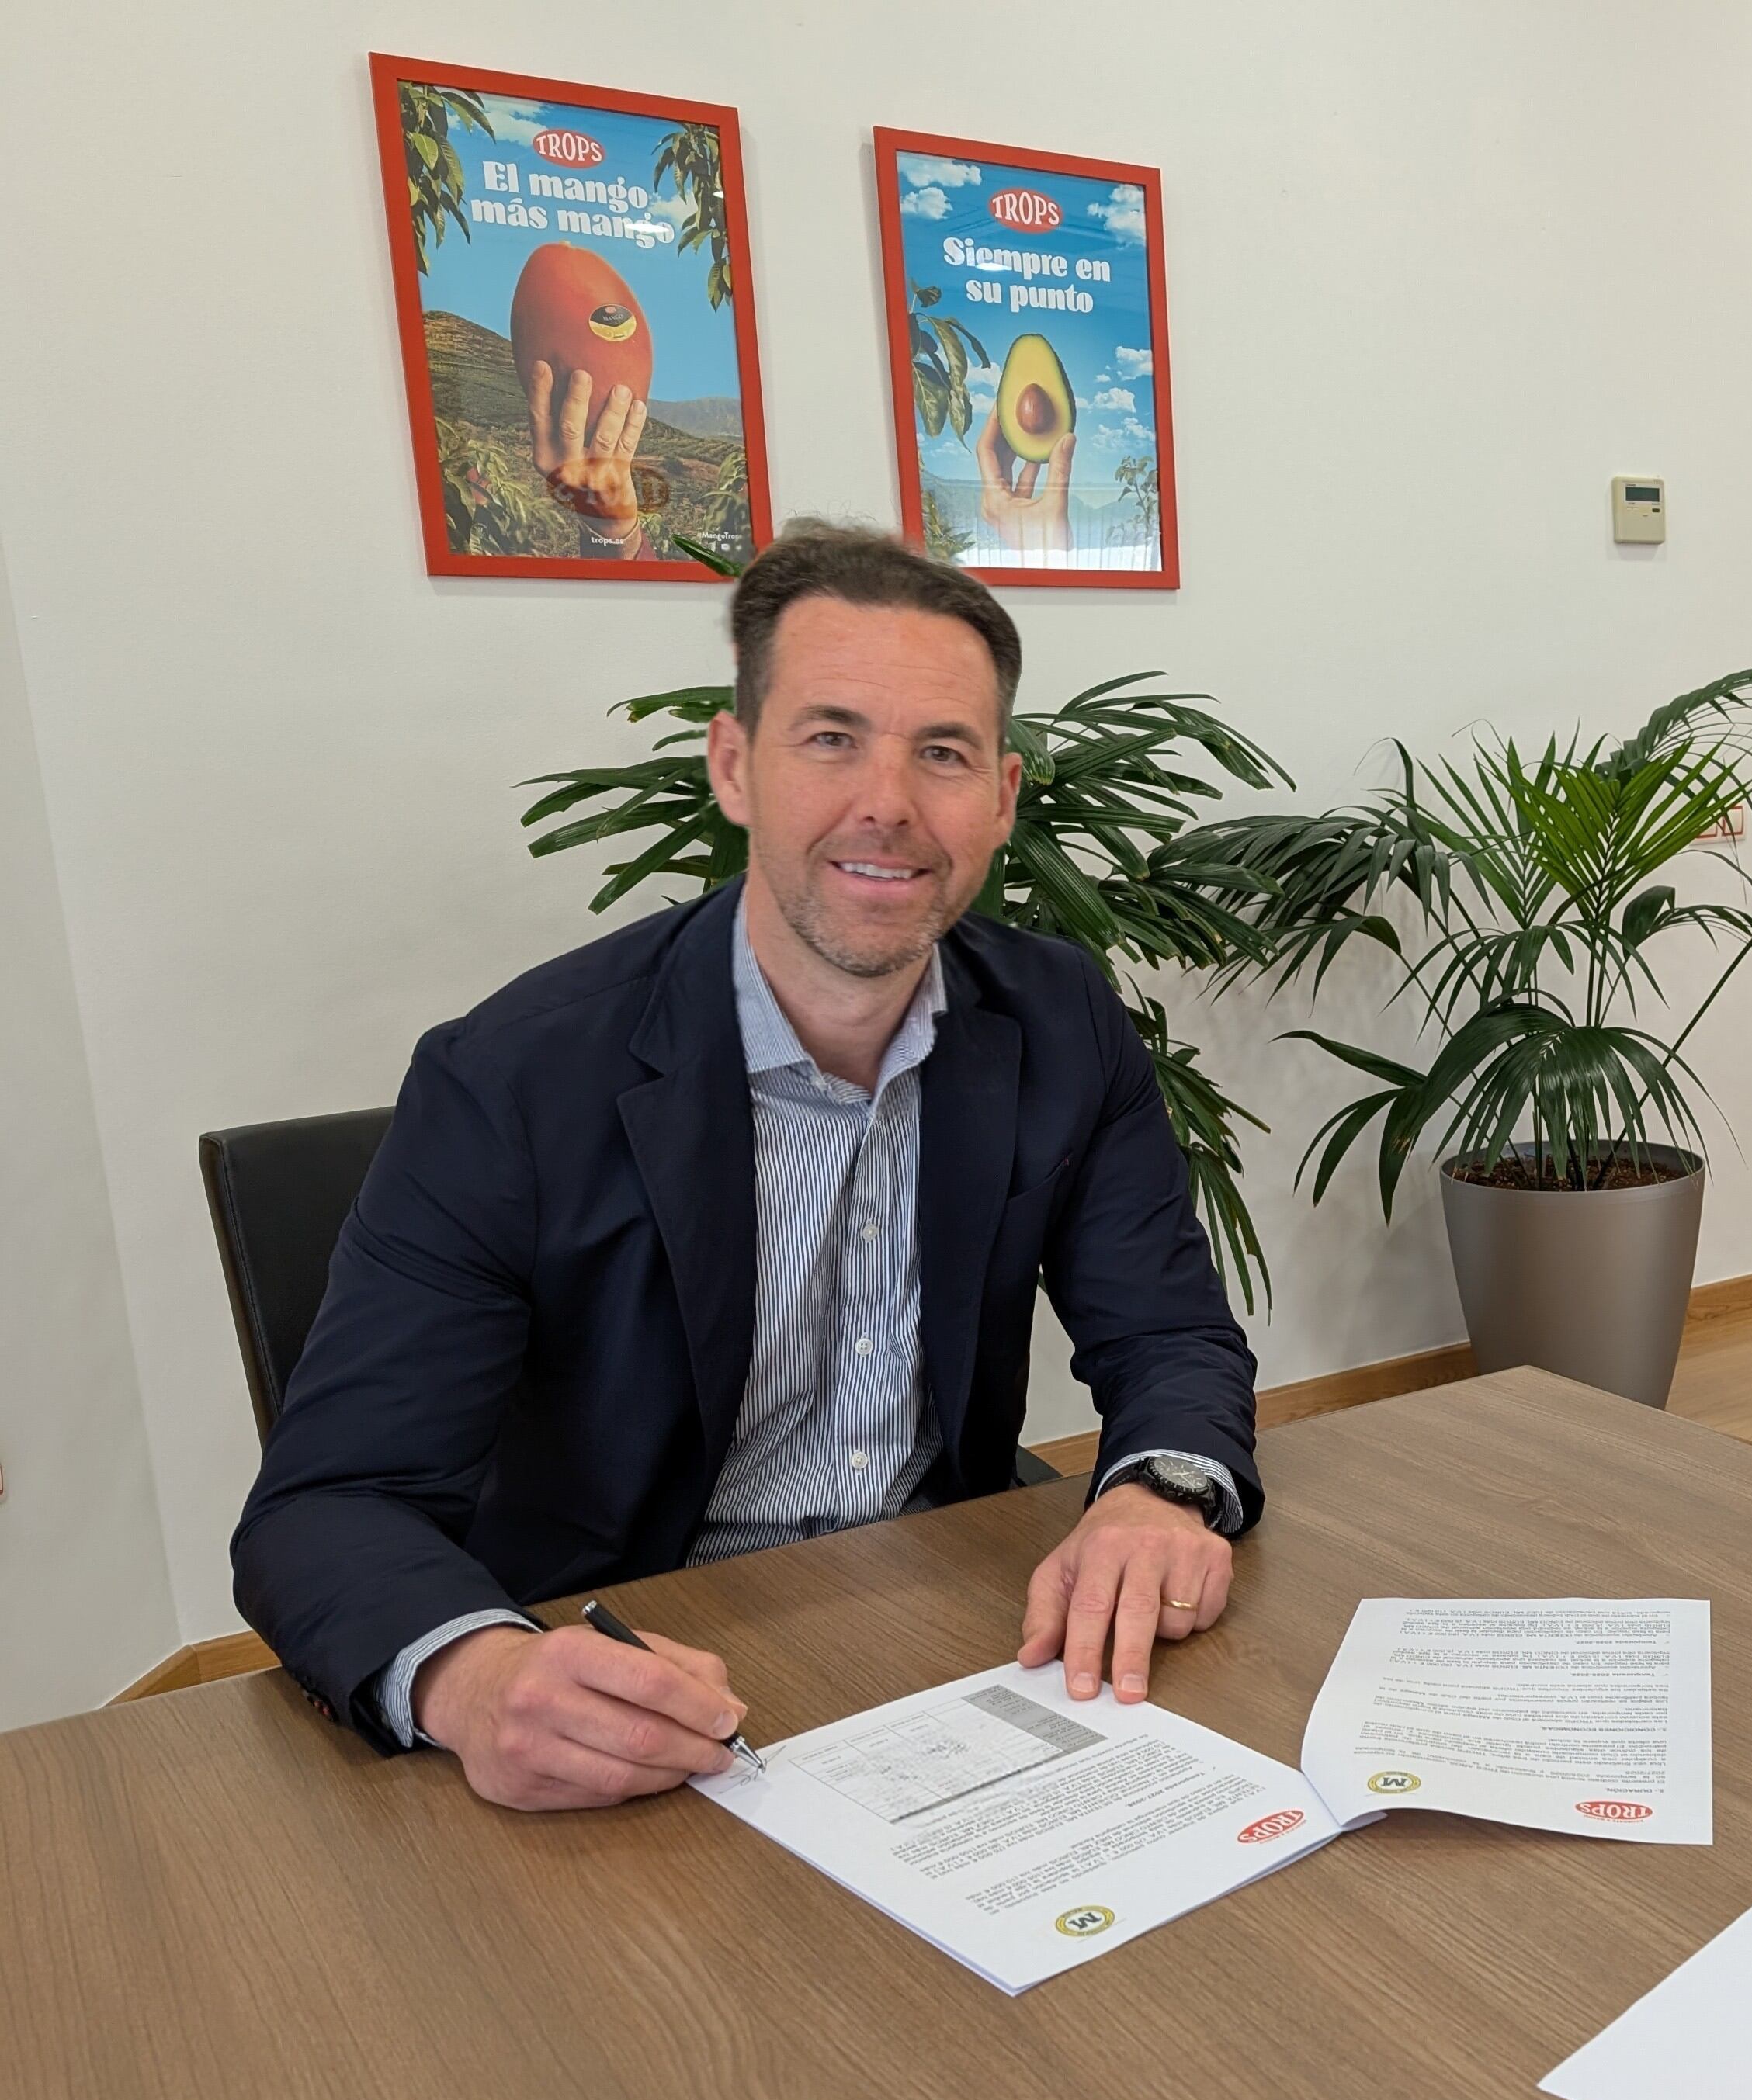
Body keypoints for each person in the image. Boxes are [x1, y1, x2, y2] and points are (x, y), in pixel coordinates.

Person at [235, 521, 1258, 1810]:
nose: (888, 803)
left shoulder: (1059, 1018)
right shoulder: (508, 1081)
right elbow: (328, 1505)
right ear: (734, 766)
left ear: (1001, 799)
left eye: (942, 753)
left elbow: (1169, 1336)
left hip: (954, 1628)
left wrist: (1156, 1494)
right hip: (636, 1667)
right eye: (831, 738)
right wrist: (479, 1678)